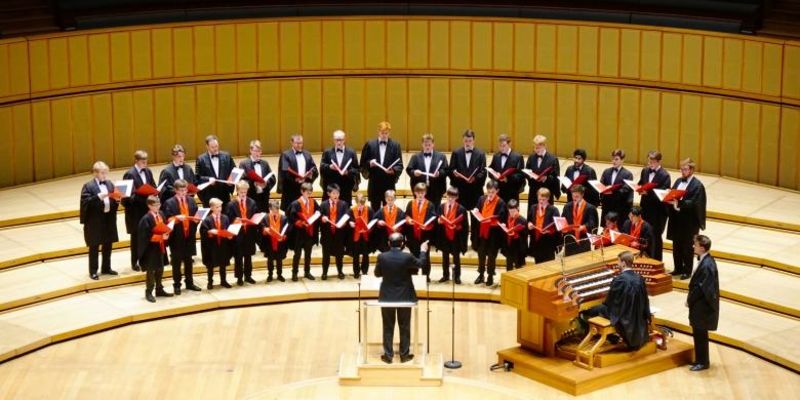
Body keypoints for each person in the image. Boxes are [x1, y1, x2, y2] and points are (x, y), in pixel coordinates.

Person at [579, 251, 651, 350]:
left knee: (586, 311)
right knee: (600, 308)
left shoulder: (620, 280)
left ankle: (603, 336)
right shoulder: (639, 278)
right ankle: (612, 337)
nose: (617, 264)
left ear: (624, 263)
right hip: (637, 314)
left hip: (623, 317)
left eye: (618, 261)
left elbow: (609, 302)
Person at [375, 233, 429, 364]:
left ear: (389, 243)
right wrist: (423, 250)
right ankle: (404, 355)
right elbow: (421, 264)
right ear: (402, 244)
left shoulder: (382, 257)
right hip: (405, 296)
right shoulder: (407, 257)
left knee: (388, 326)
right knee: (404, 326)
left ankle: (388, 356)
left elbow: (377, 274)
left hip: (387, 297)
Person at [667, 158, 707, 280]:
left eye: (685, 169)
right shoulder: (679, 181)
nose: (682, 172)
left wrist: (679, 203)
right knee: (676, 246)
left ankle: (687, 270)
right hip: (677, 220)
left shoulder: (697, 185)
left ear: (691, 170)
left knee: (687, 247)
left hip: (689, 223)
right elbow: (673, 193)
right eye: (681, 169)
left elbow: (695, 203)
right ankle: (678, 268)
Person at [79, 161, 119, 280]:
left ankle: (106, 267)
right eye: (102, 173)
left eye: (106, 172)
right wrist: (97, 197)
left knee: (108, 244)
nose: (105, 175)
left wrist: (117, 200)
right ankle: (93, 271)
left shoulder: (110, 184)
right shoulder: (88, 186)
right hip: (95, 221)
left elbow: (113, 199)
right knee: (94, 246)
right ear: (95, 173)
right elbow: (85, 203)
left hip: (108, 219)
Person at [162, 179, 201, 294]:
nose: (184, 192)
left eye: (185, 190)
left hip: (189, 235)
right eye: (181, 190)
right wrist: (176, 218)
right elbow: (167, 219)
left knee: (189, 261)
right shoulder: (169, 203)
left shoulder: (191, 201)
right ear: (175, 190)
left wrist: (196, 220)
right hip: (176, 236)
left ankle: (189, 282)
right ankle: (177, 284)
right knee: (176, 262)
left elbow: (196, 215)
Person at [687, 234, 719, 371]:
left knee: (700, 333)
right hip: (699, 304)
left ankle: (703, 362)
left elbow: (701, 288)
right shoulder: (705, 260)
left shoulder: (707, 265)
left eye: (695, 244)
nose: (693, 246)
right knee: (698, 333)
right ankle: (699, 359)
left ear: (702, 247)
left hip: (702, 306)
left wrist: (690, 299)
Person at [122, 150, 156, 272]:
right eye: (143, 162)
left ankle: (146, 260)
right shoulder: (129, 174)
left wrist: (154, 191)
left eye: (146, 161)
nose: (145, 164)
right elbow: (126, 196)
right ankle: (134, 262)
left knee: (147, 236)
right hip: (135, 212)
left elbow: (153, 185)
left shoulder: (148, 171)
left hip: (146, 210)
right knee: (136, 238)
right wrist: (142, 195)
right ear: (136, 161)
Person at [361, 121, 404, 211]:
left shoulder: (395, 145)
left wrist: (393, 170)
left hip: (388, 182)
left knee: (388, 209)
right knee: (374, 209)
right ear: (378, 131)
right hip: (374, 182)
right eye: (382, 133)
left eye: (386, 133)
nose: (384, 135)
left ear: (389, 133)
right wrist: (369, 163)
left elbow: (400, 164)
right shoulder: (370, 144)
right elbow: (362, 163)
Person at [637, 150, 671, 261]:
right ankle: (644, 258)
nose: (650, 163)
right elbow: (641, 183)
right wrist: (638, 188)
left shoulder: (665, 175)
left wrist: (648, 193)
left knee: (655, 236)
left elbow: (663, 193)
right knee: (644, 234)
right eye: (649, 160)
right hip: (645, 208)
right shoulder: (645, 171)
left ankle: (657, 261)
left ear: (659, 161)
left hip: (658, 211)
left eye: (653, 161)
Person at [137, 196, 172, 303]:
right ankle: (149, 292)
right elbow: (145, 236)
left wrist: (167, 232)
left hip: (160, 246)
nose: (158, 207)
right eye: (155, 205)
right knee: (151, 270)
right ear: (149, 206)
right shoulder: (146, 219)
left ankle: (159, 289)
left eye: (159, 204)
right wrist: (161, 237)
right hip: (150, 249)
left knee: (160, 268)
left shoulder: (161, 214)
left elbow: (165, 227)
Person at [471, 181, 507, 286]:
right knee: (481, 254)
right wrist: (476, 210)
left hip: (493, 234)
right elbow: (477, 209)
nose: (490, 194)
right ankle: (481, 274)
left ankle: (490, 275)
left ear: (497, 191)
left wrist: (492, 220)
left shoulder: (501, 203)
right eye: (489, 192)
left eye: (492, 192)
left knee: (491, 256)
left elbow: (501, 218)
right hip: (482, 232)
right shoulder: (482, 199)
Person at [225, 180, 259, 286]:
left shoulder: (252, 202)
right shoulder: (231, 204)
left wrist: (254, 220)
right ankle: (239, 277)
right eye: (241, 192)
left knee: (248, 256)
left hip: (249, 233)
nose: (243, 194)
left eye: (245, 192)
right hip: (238, 234)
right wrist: (234, 220)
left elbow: (255, 215)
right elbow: (227, 219)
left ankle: (248, 276)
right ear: (237, 191)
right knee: (238, 257)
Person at [278, 134, 319, 211]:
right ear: (292, 143)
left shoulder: (307, 154)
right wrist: (295, 179)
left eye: (301, 143)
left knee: (304, 211)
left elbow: (314, 169)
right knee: (290, 213)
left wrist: (310, 175)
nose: (299, 145)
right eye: (297, 143)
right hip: (291, 189)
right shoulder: (286, 155)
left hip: (304, 189)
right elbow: (284, 171)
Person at [404, 183, 436, 282]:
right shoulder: (410, 203)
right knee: (413, 255)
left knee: (425, 256)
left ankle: (426, 276)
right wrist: (408, 220)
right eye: (418, 193)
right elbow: (407, 215)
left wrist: (427, 226)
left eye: (422, 193)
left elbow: (433, 218)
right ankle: (414, 273)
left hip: (424, 235)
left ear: (425, 193)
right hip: (412, 235)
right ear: (415, 193)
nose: (420, 195)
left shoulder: (430, 204)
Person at [436, 187, 468, 284]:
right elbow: (438, 218)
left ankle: (457, 276)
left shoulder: (461, 209)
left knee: (456, 258)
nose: (450, 199)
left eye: (452, 197)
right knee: (445, 257)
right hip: (444, 236)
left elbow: (465, 225)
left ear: (457, 197)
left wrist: (458, 226)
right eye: (448, 196)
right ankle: (445, 275)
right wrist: (439, 221)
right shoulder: (441, 206)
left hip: (455, 237)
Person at [199, 197, 233, 289]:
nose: (219, 209)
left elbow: (228, 229)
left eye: (220, 207)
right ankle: (210, 282)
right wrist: (209, 232)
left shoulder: (225, 218)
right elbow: (203, 232)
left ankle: (223, 280)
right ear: (212, 208)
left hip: (222, 245)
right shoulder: (207, 220)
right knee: (210, 266)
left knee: (223, 264)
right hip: (212, 246)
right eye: (217, 207)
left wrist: (230, 235)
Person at [288, 182, 319, 281]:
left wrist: (318, 213)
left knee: (308, 254)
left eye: (310, 193)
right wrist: (300, 223)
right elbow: (291, 217)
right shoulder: (296, 203)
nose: (309, 195)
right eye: (307, 192)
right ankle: (294, 273)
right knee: (297, 254)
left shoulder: (313, 202)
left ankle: (307, 272)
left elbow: (318, 211)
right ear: (302, 191)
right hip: (299, 233)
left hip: (309, 232)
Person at [406, 133, 449, 206]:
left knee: (435, 212)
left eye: (429, 145)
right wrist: (414, 172)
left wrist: (439, 173)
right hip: (420, 190)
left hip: (436, 189)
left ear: (433, 144)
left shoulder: (441, 156)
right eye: (425, 145)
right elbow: (409, 169)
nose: (427, 147)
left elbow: (446, 170)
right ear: (422, 144)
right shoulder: (415, 157)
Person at [448, 129, 486, 210]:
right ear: (463, 140)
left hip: (475, 189)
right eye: (466, 141)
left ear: (474, 141)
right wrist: (454, 174)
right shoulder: (456, 153)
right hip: (460, 188)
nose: (468, 143)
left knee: (475, 215)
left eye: (470, 141)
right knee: (459, 215)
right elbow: (450, 169)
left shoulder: (481, 154)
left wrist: (475, 178)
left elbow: (483, 172)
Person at [195, 135, 236, 208]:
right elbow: (197, 177)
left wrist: (232, 180)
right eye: (212, 147)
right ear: (207, 146)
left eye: (216, 146)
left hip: (224, 194)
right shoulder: (201, 159)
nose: (215, 149)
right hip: (209, 196)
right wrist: (208, 179)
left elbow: (235, 170)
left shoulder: (226, 156)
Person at [320, 130, 360, 204]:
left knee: (345, 212)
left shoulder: (351, 152)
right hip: (331, 186)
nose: (338, 142)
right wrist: (329, 167)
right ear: (333, 140)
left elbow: (357, 170)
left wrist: (348, 172)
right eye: (336, 140)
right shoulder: (327, 152)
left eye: (341, 140)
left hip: (345, 187)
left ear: (344, 139)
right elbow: (322, 167)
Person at [320, 184, 350, 280]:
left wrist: (343, 223)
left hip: (339, 234)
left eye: (337, 193)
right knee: (326, 255)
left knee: (339, 255)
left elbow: (346, 216)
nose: (336, 195)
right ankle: (324, 272)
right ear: (328, 194)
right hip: (327, 234)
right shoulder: (323, 204)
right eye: (333, 193)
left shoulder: (343, 204)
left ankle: (340, 271)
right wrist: (322, 218)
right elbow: (319, 217)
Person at [239, 139, 277, 213]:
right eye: (255, 151)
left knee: (264, 220)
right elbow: (242, 180)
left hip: (263, 198)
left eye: (259, 151)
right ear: (251, 150)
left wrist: (266, 184)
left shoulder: (265, 163)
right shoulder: (244, 164)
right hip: (251, 197)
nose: (257, 153)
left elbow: (272, 178)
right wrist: (254, 183)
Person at [599, 149, 634, 226]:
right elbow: (601, 184)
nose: (614, 161)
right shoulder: (606, 171)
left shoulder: (628, 174)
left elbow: (626, 190)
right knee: (606, 229)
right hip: (607, 206)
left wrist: (612, 191)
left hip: (619, 208)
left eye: (616, 159)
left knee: (618, 229)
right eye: (613, 159)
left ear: (622, 160)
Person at [561, 185, 599, 256]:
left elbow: (593, 223)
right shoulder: (567, 206)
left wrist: (583, 227)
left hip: (583, 239)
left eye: (577, 196)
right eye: (573, 196)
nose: (574, 198)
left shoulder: (590, 208)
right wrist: (562, 226)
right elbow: (563, 219)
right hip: (570, 240)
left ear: (582, 195)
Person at [487, 134, 525, 203]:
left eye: (504, 146)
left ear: (509, 144)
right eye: (500, 146)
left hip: (511, 192)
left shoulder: (518, 157)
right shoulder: (496, 156)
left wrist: (507, 179)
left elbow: (521, 176)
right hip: (498, 192)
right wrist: (495, 176)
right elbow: (490, 171)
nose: (502, 148)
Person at [527, 188, 560, 264]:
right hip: (536, 241)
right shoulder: (533, 208)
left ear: (548, 198)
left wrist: (549, 231)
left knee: (548, 265)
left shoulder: (554, 210)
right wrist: (529, 224)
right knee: (537, 264)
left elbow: (557, 226)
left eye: (543, 199)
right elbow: (529, 220)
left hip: (548, 243)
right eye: (539, 199)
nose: (541, 201)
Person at [525, 135, 561, 204]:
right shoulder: (531, 157)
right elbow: (527, 171)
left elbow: (556, 177)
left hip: (546, 192)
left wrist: (545, 178)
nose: (536, 150)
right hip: (534, 192)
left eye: (538, 148)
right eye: (535, 148)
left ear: (544, 146)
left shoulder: (553, 159)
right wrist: (529, 175)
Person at [261, 200, 290, 282]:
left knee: (279, 260)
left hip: (280, 242)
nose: (275, 212)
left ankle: (279, 274)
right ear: (270, 209)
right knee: (270, 260)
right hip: (269, 242)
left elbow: (287, 230)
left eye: (277, 210)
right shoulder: (266, 218)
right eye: (273, 210)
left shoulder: (284, 218)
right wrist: (264, 230)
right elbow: (262, 228)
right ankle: (270, 274)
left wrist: (283, 237)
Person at [348, 194, 376, 278]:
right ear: (356, 203)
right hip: (355, 236)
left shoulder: (369, 210)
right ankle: (356, 272)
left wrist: (368, 227)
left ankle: (364, 271)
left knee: (365, 254)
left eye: (362, 204)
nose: (361, 207)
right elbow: (348, 219)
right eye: (359, 205)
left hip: (365, 236)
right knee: (355, 255)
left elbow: (373, 221)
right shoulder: (351, 210)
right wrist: (350, 223)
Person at [500, 199, 528, 272]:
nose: (512, 213)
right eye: (510, 211)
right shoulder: (507, 218)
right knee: (509, 266)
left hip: (517, 247)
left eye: (513, 211)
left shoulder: (523, 220)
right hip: (509, 245)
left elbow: (525, 236)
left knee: (518, 266)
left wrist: (516, 234)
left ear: (518, 209)